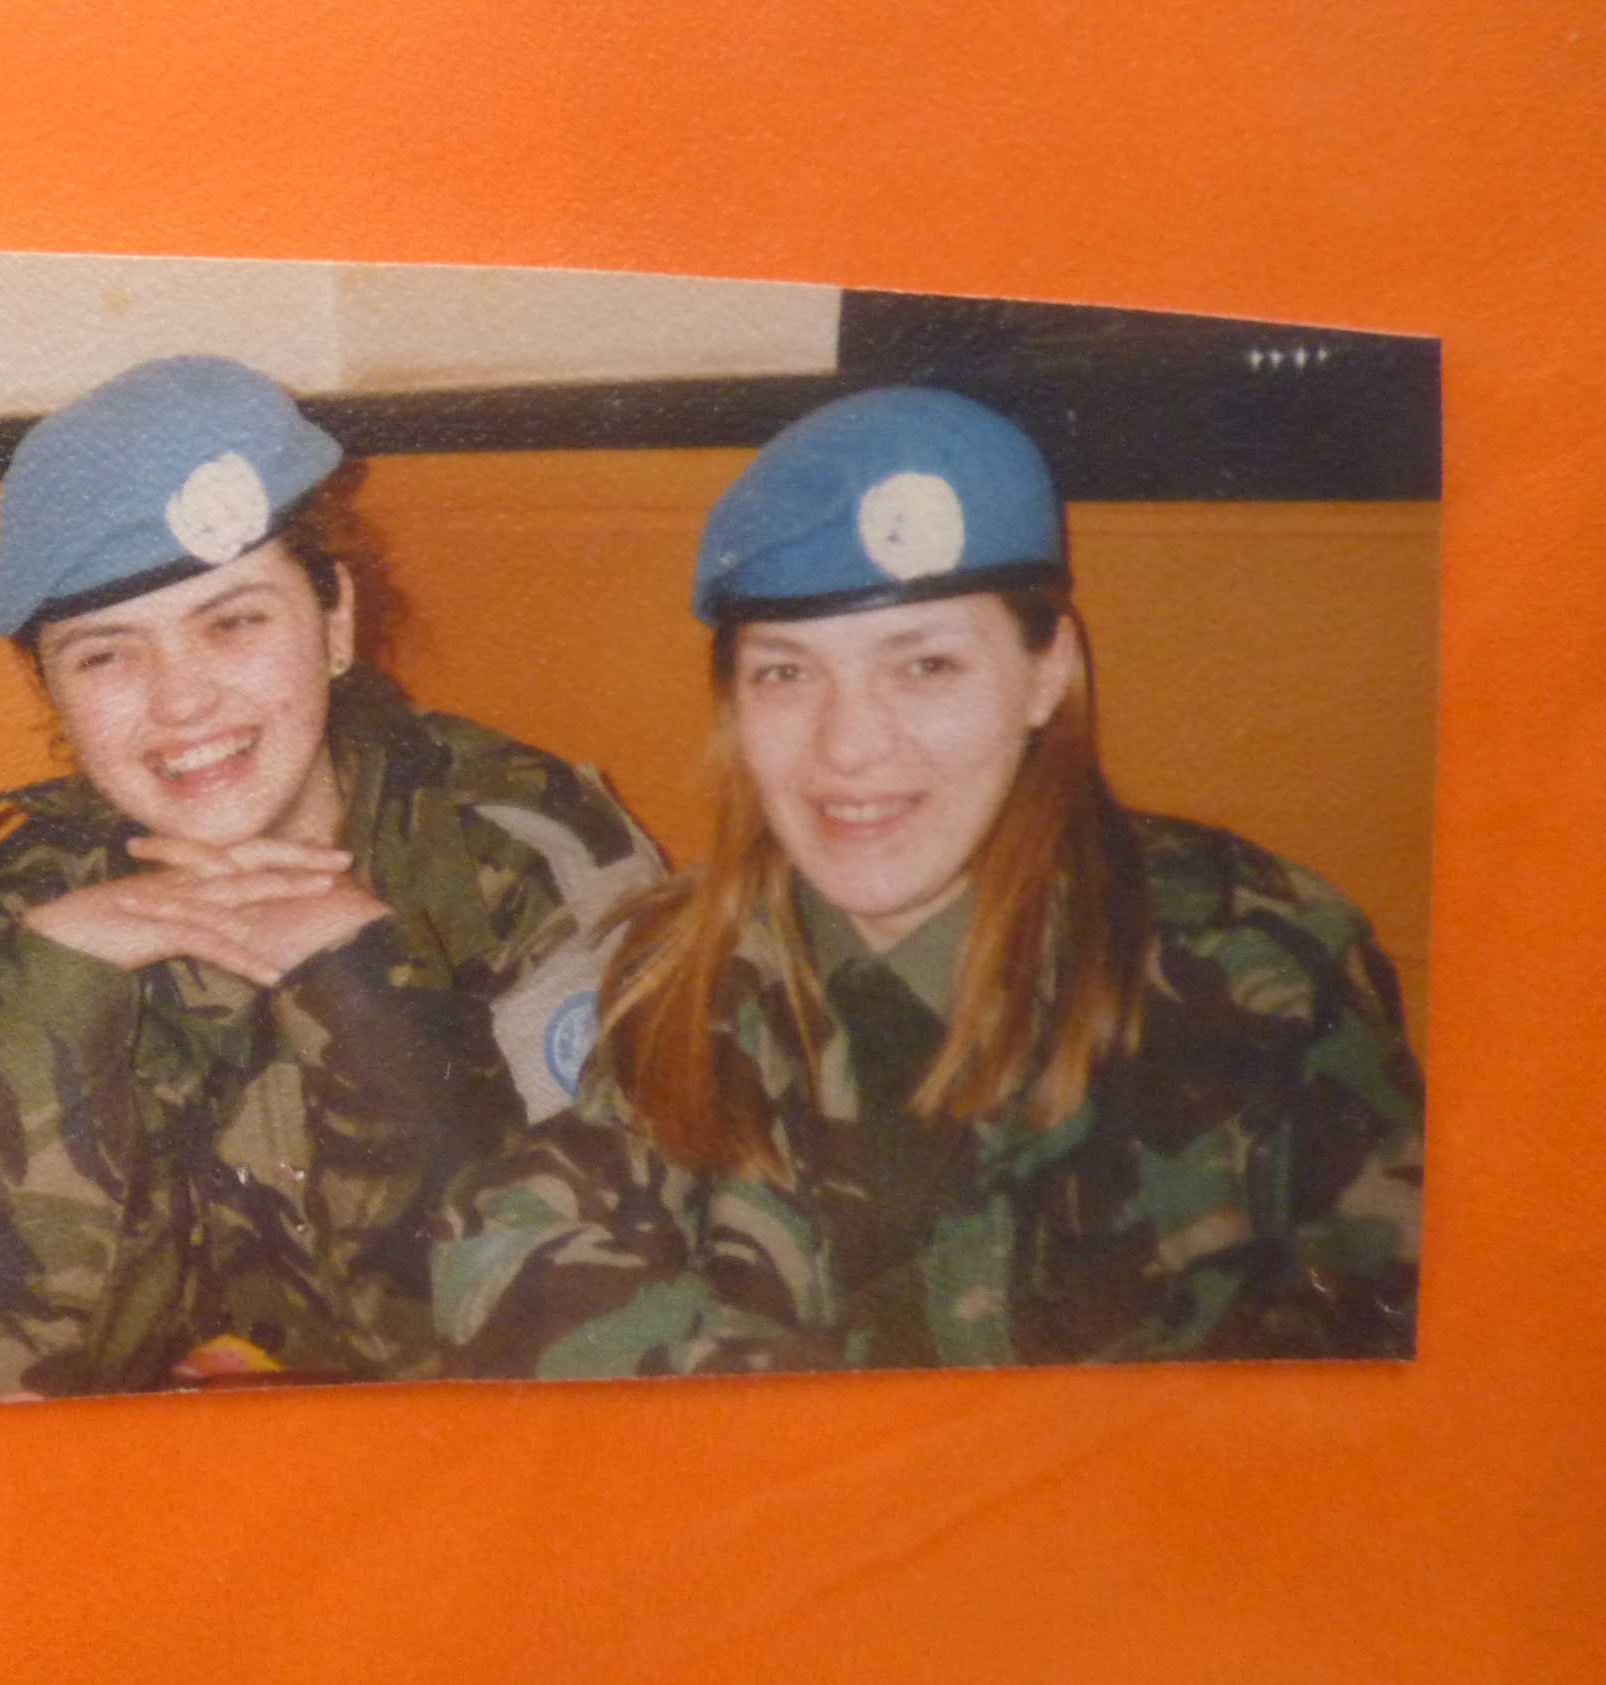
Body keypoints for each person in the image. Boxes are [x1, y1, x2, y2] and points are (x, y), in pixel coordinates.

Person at [434, 387, 1423, 1378]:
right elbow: (510, 1245)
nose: (851, 745)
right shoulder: (692, 970)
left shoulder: (1258, 958)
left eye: (925, 667)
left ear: (1048, 673)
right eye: (787, 672)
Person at [0, 356, 664, 1397]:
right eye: (107, 655)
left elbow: (541, 1339)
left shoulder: (519, 855)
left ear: (334, 620)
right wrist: (60, 991)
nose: (181, 702)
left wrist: (366, 995)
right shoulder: (18, 893)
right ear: (53, 692)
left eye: (234, 621)